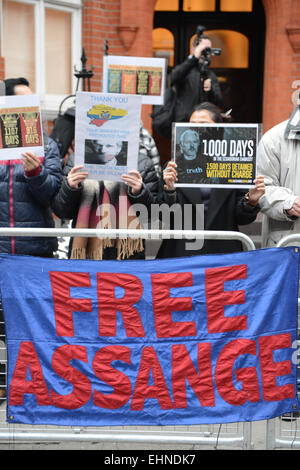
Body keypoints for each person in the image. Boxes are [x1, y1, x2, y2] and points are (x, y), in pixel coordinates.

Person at [0, 77, 62, 398]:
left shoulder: (46, 145)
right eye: (22, 100)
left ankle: (34, 388)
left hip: (33, 253)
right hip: (1, 253)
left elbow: (54, 195)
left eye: (32, 101)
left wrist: (36, 172)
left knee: (33, 324)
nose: (30, 105)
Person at [155, 102, 265, 258]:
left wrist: (251, 201)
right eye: (192, 124)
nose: (198, 129)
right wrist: (170, 190)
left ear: (218, 128)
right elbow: (164, 215)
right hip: (181, 252)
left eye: (204, 124)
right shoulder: (173, 167)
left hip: (223, 253)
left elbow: (242, 218)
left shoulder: (234, 163)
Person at [51, 148, 158, 261]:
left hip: (128, 255)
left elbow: (152, 214)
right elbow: (62, 212)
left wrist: (139, 192)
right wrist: (70, 188)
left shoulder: (142, 163)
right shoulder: (77, 161)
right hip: (86, 253)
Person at [170, 35, 223, 123]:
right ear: (194, 49)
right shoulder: (185, 70)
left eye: (208, 49)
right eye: (202, 48)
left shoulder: (210, 74)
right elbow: (173, 78)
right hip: (184, 122)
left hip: (205, 123)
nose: (205, 52)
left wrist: (210, 90)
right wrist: (194, 57)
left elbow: (218, 102)